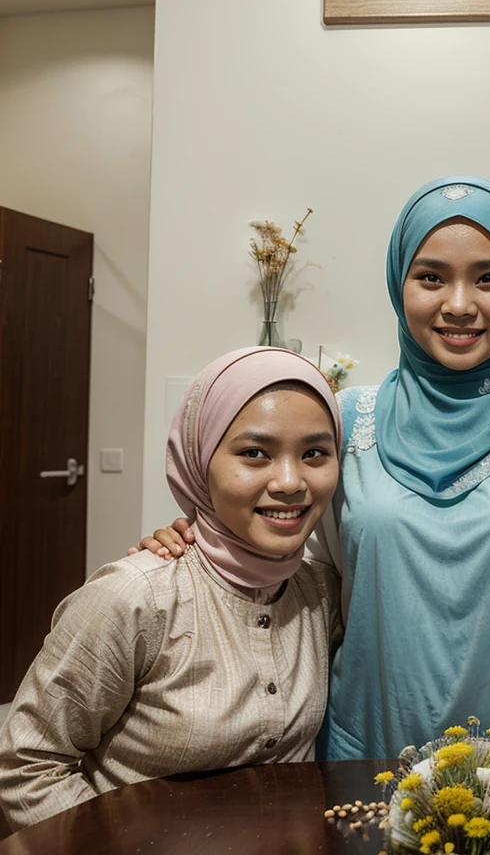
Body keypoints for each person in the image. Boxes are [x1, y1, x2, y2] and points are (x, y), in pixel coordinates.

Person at [142, 176, 490, 764]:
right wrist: (197, 543)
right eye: (431, 277)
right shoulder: (346, 419)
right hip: (363, 747)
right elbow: (294, 570)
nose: (458, 304)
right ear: (398, 282)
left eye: (489, 277)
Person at [0, 348, 342, 831]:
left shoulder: (319, 594)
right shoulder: (134, 598)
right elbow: (25, 767)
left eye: (313, 454)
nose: (290, 482)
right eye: (254, 453)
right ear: (200, 460)